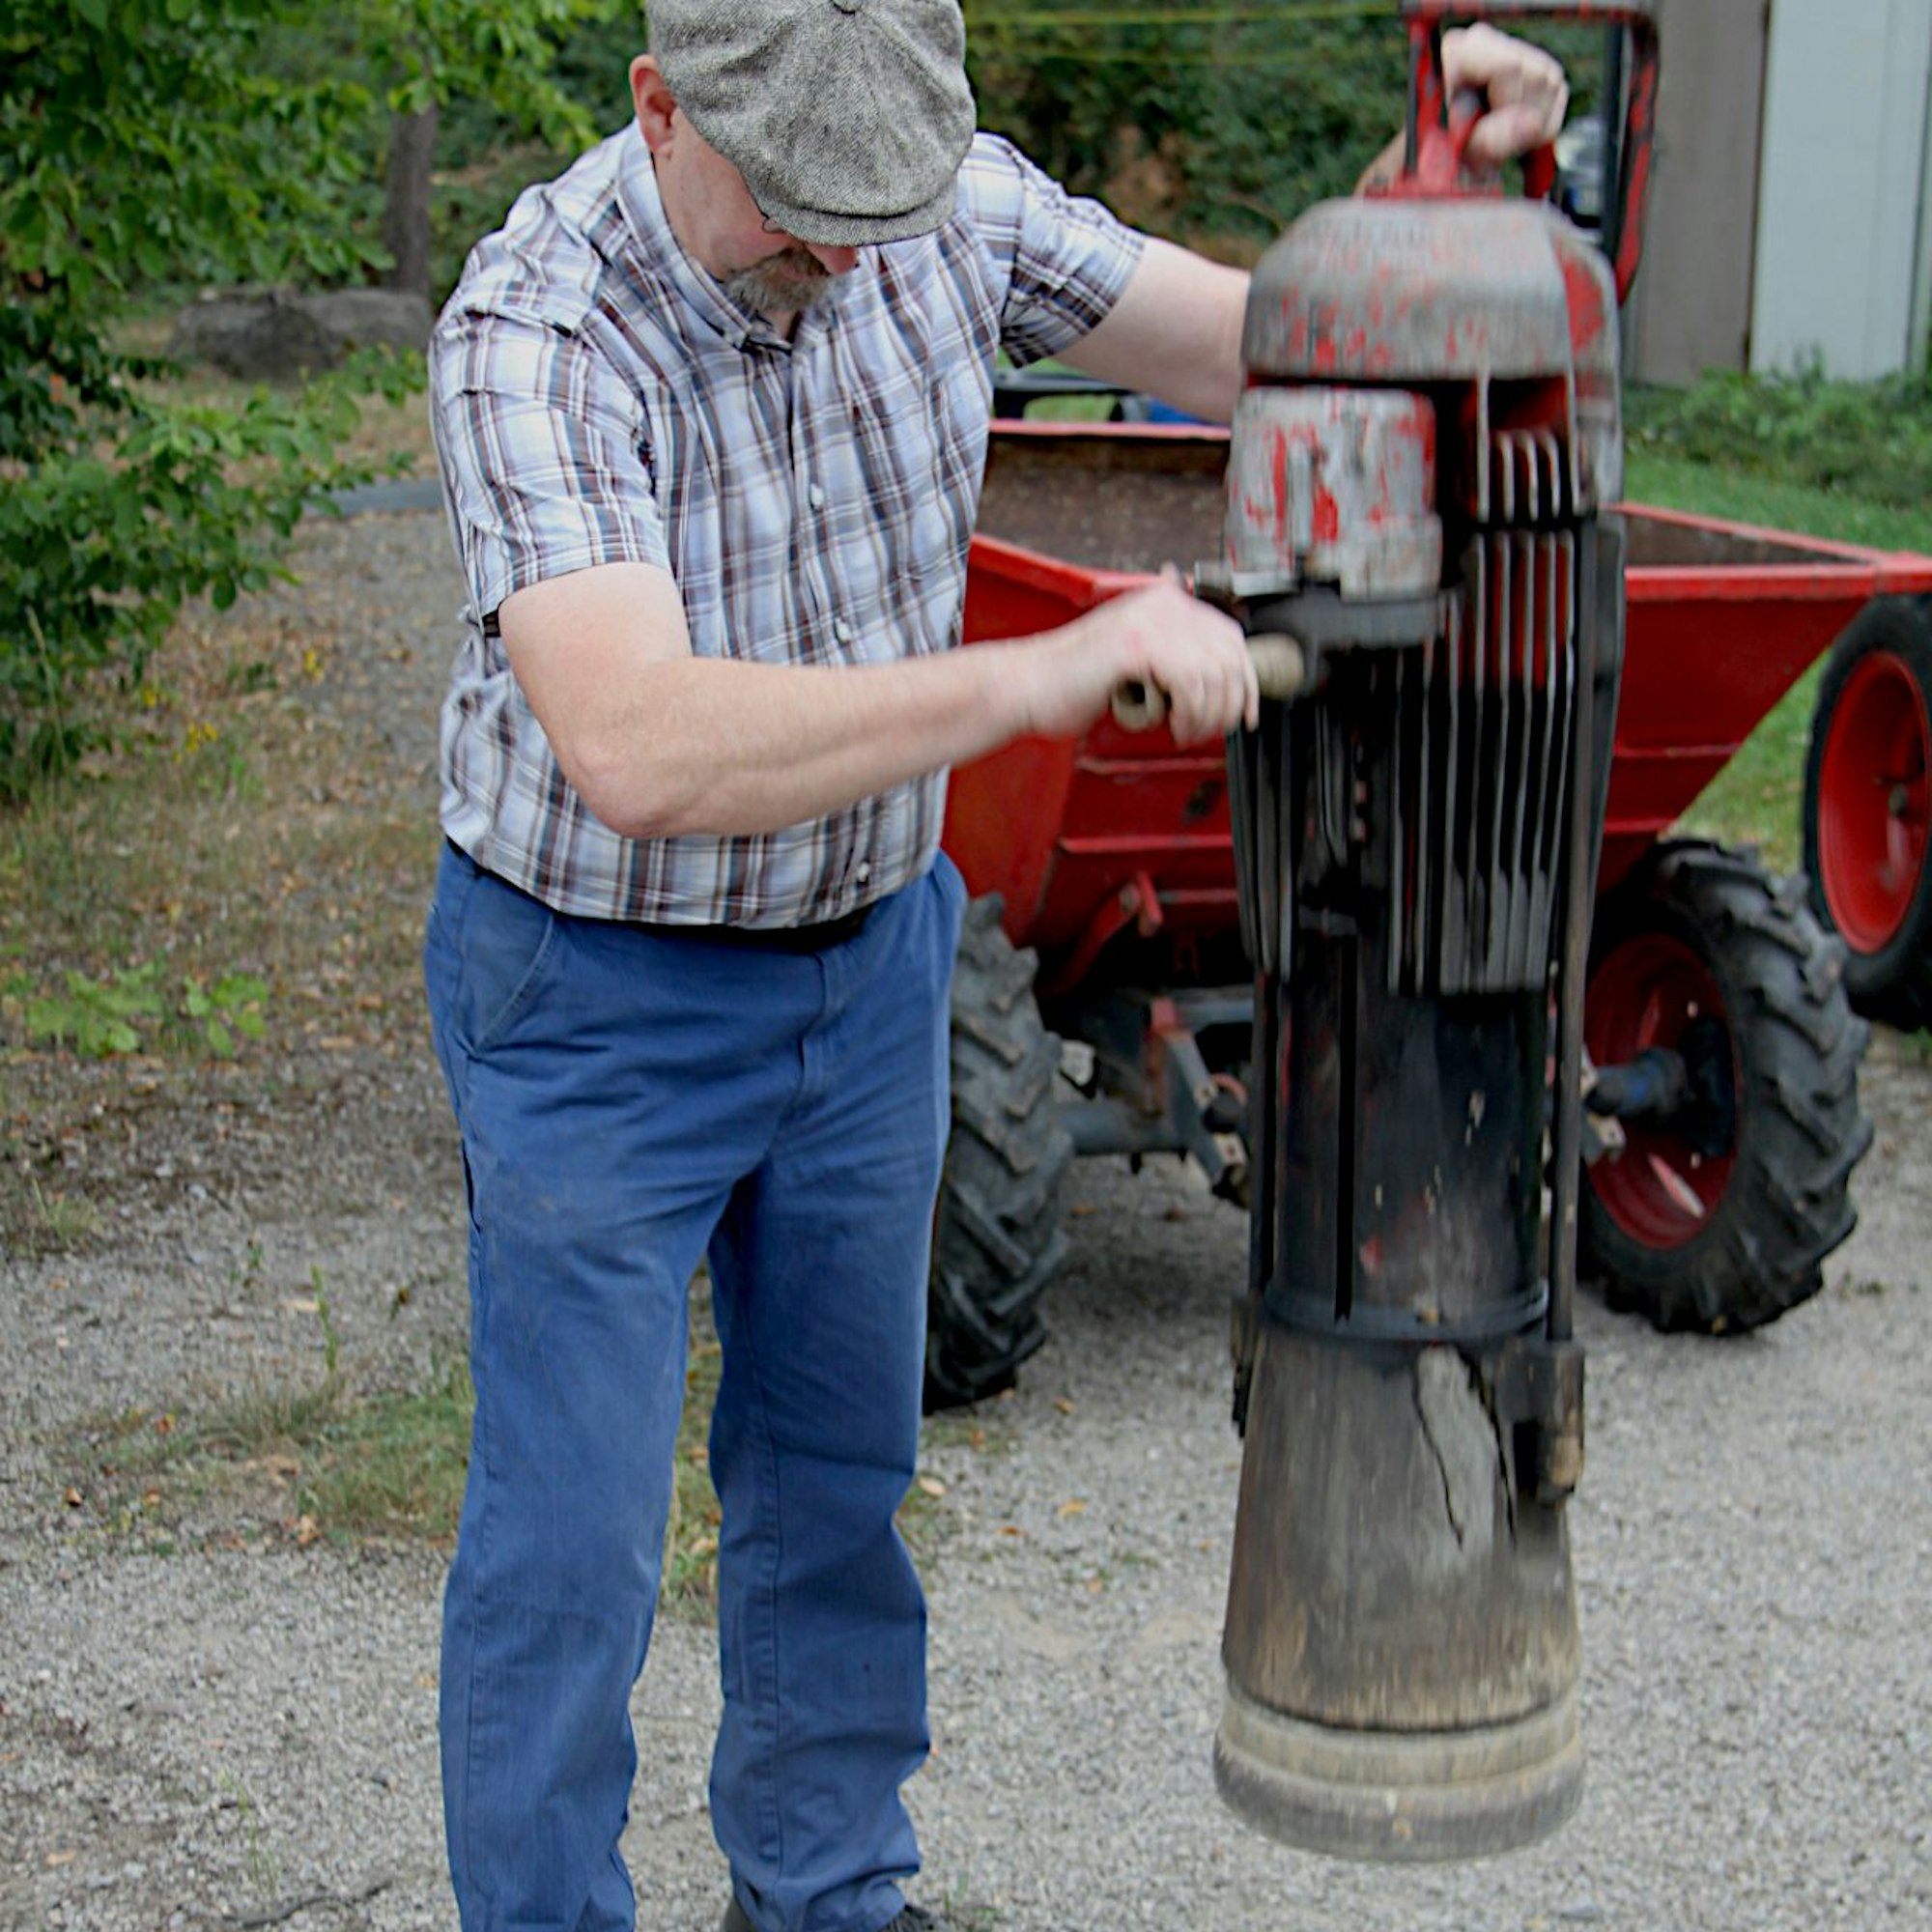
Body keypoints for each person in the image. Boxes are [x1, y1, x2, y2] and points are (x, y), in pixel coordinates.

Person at [421, 6, 1568, 1929]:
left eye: (884, 205)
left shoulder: (947, 206)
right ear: (659, 106)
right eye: (808, 213)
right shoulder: (538, 323)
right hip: (594, 996)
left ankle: (827, 1894)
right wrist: (1036, 675)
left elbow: (1280, 336)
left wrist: (1449, 196)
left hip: (868, 966)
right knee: (572, 1544)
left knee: (837, 1483)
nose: (857, 256)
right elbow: (639, 743)